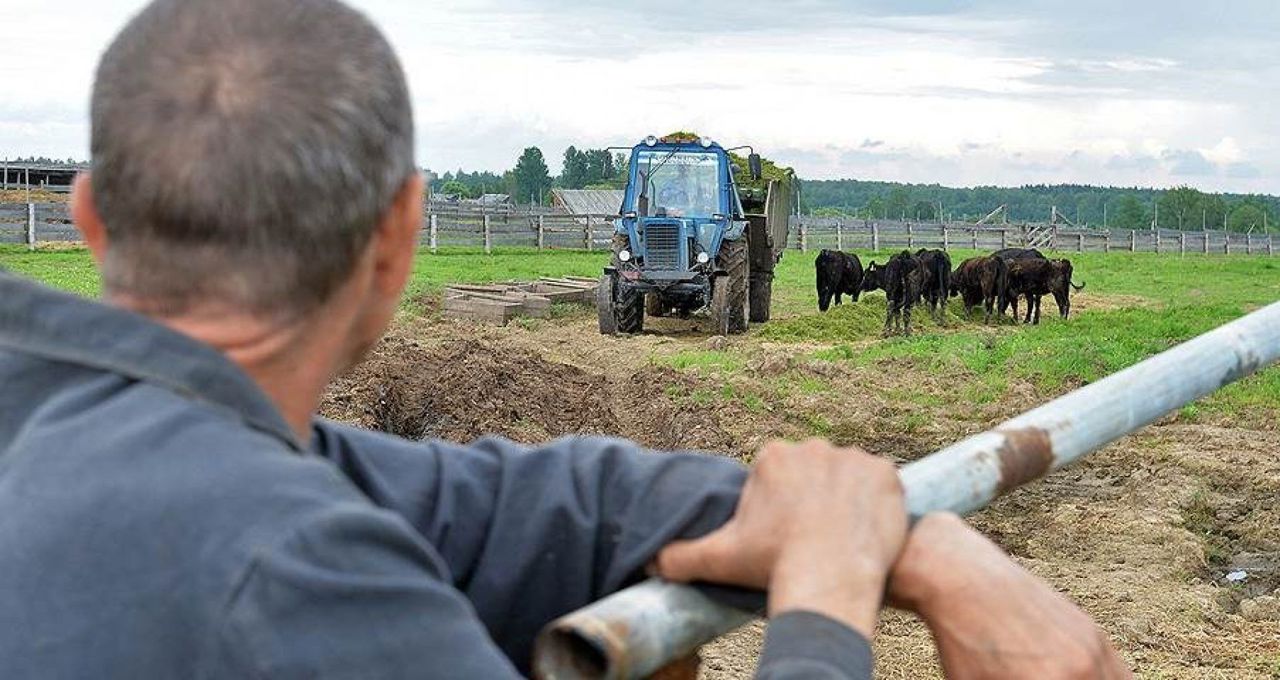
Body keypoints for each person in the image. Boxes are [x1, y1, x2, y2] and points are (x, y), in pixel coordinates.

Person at [0, 0, 1128, 678]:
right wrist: (828, 602)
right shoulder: (294, 591)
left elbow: (498, 495)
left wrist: (913, 537)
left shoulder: (71, 416)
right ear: (399, 235)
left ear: (89, 215)